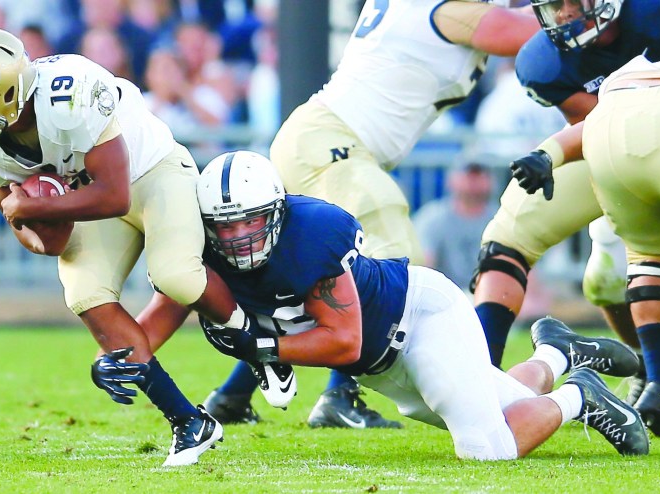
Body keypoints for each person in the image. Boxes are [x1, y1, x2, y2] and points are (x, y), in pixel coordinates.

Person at [206, 0, 543, 430]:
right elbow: (526, 32)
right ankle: (339, 395)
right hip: (333, 139)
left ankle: (233, 394)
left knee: (310, 274)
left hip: (321, 137)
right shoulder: (446, 8)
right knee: (392, 269)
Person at [192, 151, 648, 459]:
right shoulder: (210, 257)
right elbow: (176, 291)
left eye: (250, 220)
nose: (238, 237)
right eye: (224, 226)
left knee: (487, 448)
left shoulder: (310, 237)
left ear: (276, 211)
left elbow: (345, 343)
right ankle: (556, 352)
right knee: (505, 404)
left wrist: (260, 348)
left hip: (421, 318)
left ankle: (579, 393)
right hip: (385, 367)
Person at [0, 28, 252, 467]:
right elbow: (23, 224)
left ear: (7, 94)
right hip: (87, 199)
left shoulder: (69, 91)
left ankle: (256, 346)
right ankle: (188, 422)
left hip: (152, 173)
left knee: (176, 275)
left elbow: (116, 194)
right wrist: (33, 225)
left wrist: (38, 206)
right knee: (84, 295)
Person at [471, 0, 660, 398]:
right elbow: (602, 124)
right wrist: (549, 155)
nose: (563, 14)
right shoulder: (544, 61)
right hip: (602, 144)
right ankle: (476, 378)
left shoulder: (658, 11)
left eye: (572, 2)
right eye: (554, 6)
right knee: (514, 236)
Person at [507, 53, 660, 437]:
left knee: (649, 262)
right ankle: (655, 377)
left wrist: (546, 153)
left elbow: (598, 121)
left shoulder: (622, 63)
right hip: (636, 128)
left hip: (609, 133)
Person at [411, 162, 496, 290]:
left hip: (492, 297)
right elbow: (423, 267)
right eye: (469, 176)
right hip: (445, 296)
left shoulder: (501, 219)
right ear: (451, 180)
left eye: (479, 176)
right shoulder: (432, 218)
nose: (473, 183)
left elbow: (521, 268)